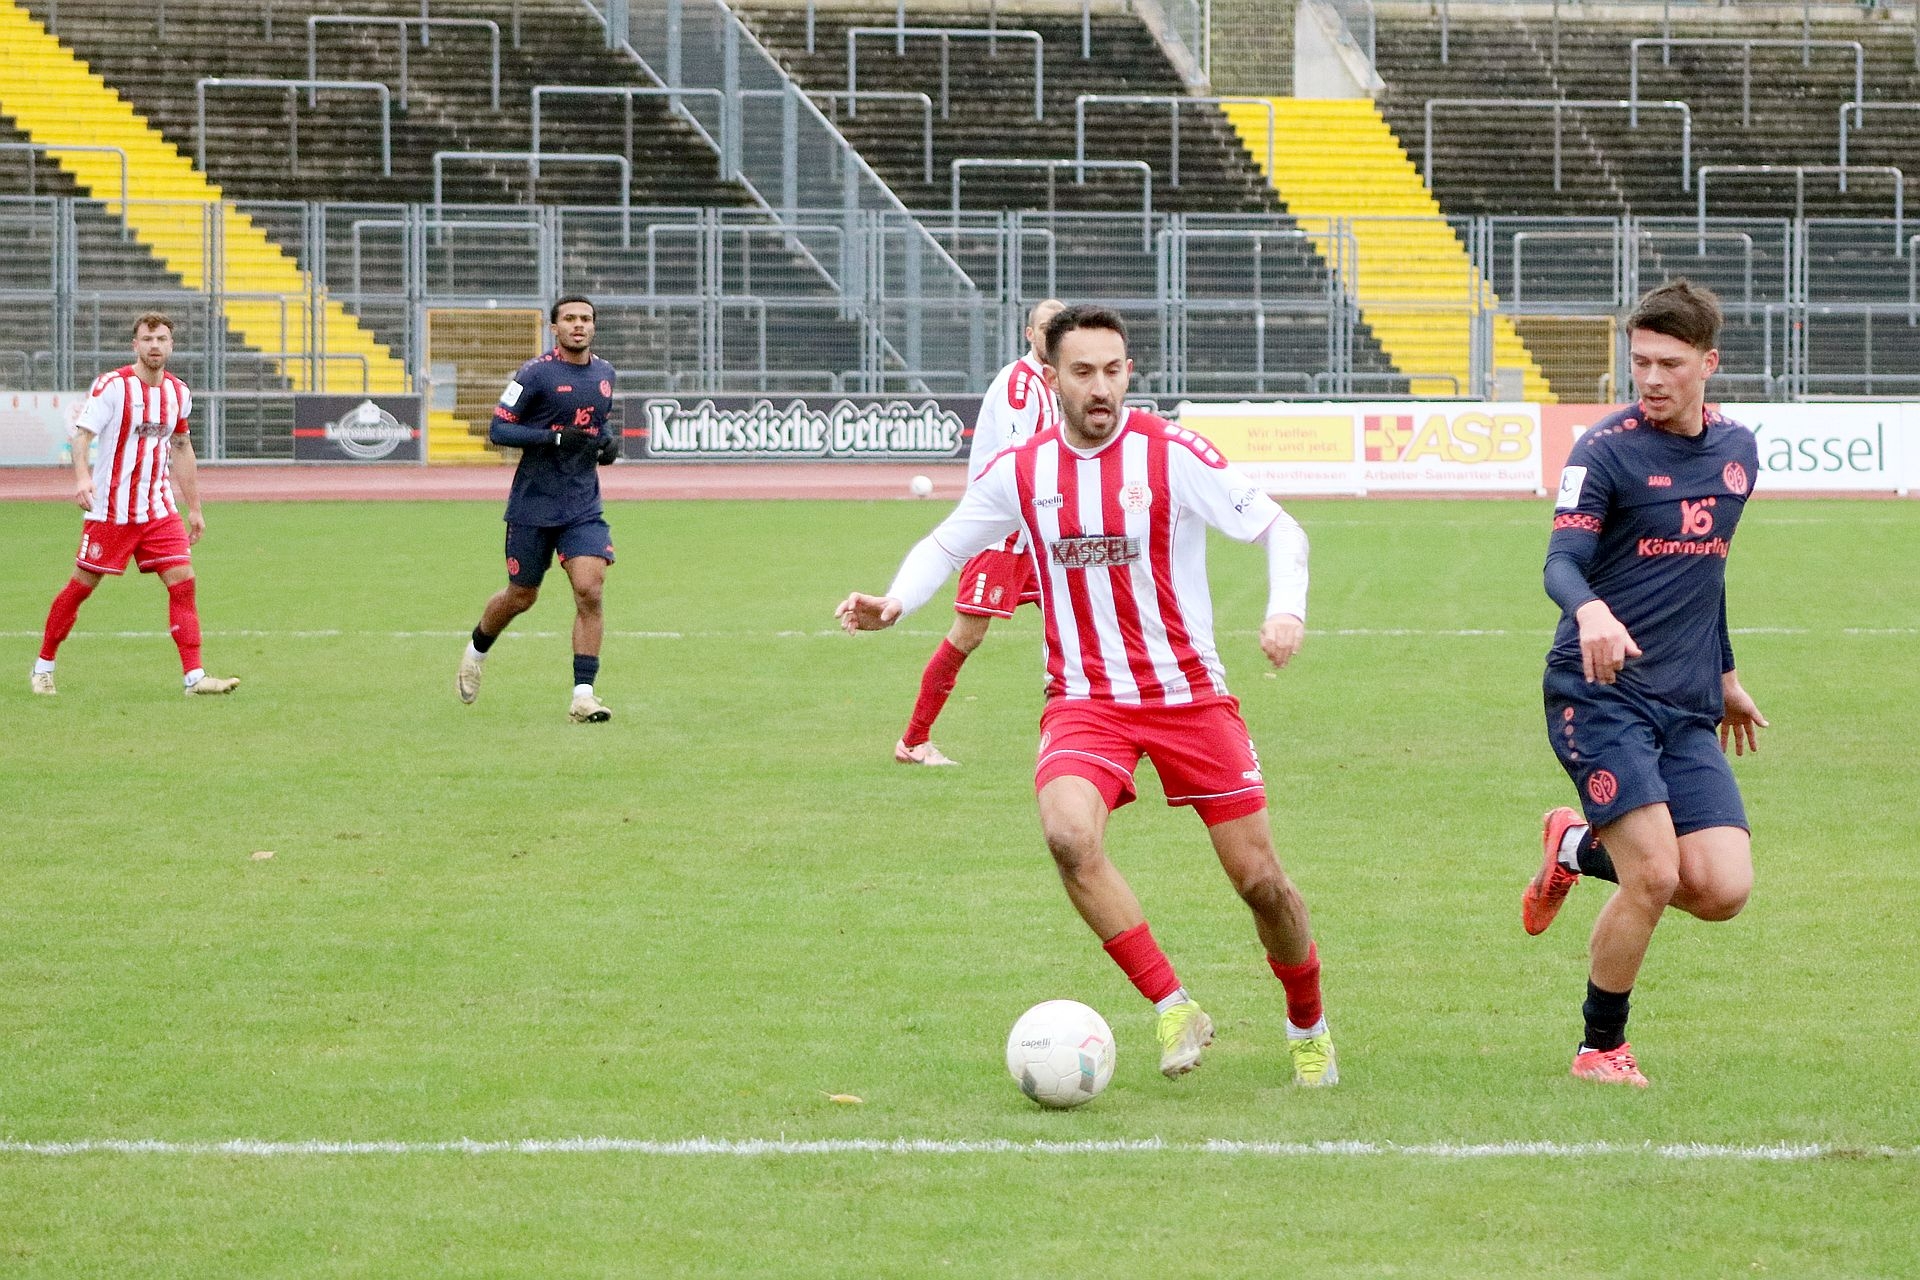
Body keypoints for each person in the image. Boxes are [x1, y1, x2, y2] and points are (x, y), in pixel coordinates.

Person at [837, 304, 1337, 1087]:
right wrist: (896, 601)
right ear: (1051, 379)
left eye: (1112, 371)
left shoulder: (1171, 455)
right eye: (1082, 373)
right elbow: (948, 540)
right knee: (1069, 837)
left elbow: (1282, 530)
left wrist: (1286, 610)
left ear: (1128, 372)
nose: (1100, 387)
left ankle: (1307, 1022)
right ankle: (1173, 1006)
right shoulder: (1024, 470)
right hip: (1085, 700)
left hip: (1189, 697)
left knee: (1260, 883)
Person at [1522, 279, 1766, 1088]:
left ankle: (1571, 846)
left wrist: (1726, 676)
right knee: (1655, 875)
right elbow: (1561, 562)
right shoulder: (1604, 450)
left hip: (1686, 704)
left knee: (1722, 889)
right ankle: (1599, 1048)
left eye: (1670, 363)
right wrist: (1590, 610)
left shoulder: (1737, 454)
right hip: (1598, 693)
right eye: (1641, 362)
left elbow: (1708, 575)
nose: (1652, 379)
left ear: (1708, 364)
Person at [31, 312, 239, 698]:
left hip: (158, 509)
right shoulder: (113, 386)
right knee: (81, 586)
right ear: (135, 345)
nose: (154, 345)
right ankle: (43, 666)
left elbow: (181, 447)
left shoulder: (178, 392)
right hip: (111, 510)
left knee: (183, 582)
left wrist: (194, 507)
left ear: (171, 346)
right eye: (147, 339)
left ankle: (194, 677)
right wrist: (82, 478)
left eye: (161, 339)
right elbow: (82, 436)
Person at [894, 298, 1064, 766]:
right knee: (967, 636)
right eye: (1046, 327)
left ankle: (1092, 731)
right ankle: (913, 741)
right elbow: (1017, 459)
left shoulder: (1053, 384)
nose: (1053, 334)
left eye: (1061, 327)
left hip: (1036, 536)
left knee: (1078, 626)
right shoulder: (1019, 384)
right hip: (1001, 537)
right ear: (1029, 334)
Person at [456, 295, 621, 723]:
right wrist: (554, 437)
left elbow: (597, 422)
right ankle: (476, 651)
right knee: (521, 596)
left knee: (590, 589)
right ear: (554, 328)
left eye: (586, 319)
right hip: (533, 504)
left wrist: (607, 442)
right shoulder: (534, 373)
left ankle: (583, 695)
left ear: (594, 326)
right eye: (570, 318)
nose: (578, 325)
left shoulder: (605, 373)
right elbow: (499, 429)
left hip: (582, 504)